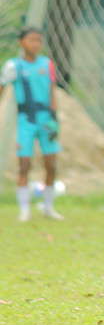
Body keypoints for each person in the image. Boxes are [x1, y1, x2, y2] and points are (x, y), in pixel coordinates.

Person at [0, 27, 64, 221]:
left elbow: (51, 92)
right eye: (31, 40)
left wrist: (54, 118)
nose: (36, 44)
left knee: (51, 165)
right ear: (21, 42)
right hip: (26, 121)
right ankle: (24, 210)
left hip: (46, 120)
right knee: (24, 165)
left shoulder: (46, 64)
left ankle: (48, 207)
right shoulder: (14, 66)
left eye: (38, 40)